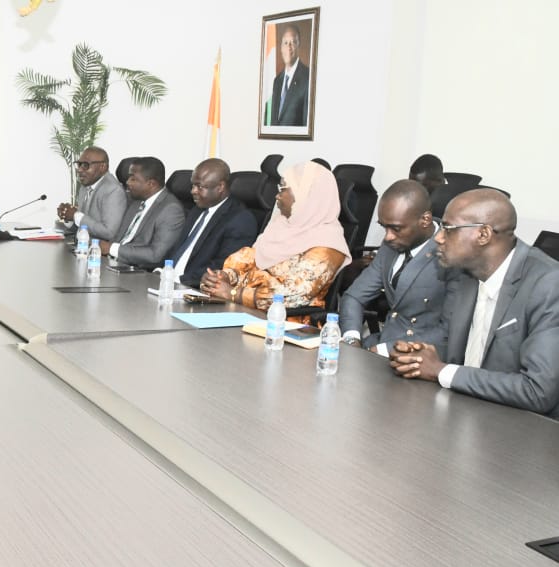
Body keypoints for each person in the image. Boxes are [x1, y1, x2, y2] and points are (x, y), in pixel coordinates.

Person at [389, 189, 559, 419]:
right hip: (467, 411)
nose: (438, 237)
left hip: (522, 427)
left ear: (483, 234)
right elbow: (464, 351)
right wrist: (419, 356)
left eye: (448, 229)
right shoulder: (467, 273)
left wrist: (441, 371)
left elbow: (538, 391)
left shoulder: (548, 284)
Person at [199, 161, 350, 311]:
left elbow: (292, 295)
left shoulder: (328, 246)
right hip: (244, 310)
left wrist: (234, 294)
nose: (277, 196)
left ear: (306, 195)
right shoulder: (281, 225)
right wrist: (222, 277)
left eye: (283, 189)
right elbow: (248, 262)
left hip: (286, 320)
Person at [340, 180, 454, 354]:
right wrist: (352, 338)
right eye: (384, 227)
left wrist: (384, 350)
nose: (388, 237)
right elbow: (354, 296)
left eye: (396, 228)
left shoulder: (450, 251)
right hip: (382, 341)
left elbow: (448, 331)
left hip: (419, 354)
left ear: (425, 220)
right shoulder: (391, 246)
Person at [168, 158, 258, 287]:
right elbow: (177, 248)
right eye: (192, 185)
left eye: (199, 186)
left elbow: (223, 267)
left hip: (192, 287)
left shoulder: (241, 220)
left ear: (220, 187)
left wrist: (180, 280)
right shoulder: (197, 209)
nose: (193, 191)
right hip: (168, 281)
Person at [98, 156, 185, 269]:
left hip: (137, 270)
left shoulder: (171, 210)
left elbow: (155, 255)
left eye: (133, 179)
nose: (127, 182)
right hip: (113, 263)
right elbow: (119, 237)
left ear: (151, 184)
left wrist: (111, 248)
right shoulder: (137, 200)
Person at [56, 146, 128, 240]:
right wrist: (68, 218)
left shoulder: (113, 190)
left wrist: (75, 215)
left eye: (85, 165)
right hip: (81, 245)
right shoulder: (86, 186)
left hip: (98, 248)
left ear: (102, 167)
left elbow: (109, 232)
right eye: (79, 164)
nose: (79, 170)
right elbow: (84, 227)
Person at [270, 24, 310, 126]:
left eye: (293, 42)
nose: (289, 47)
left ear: (298, 46)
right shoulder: (277, 81)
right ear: (281, 48)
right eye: (286, 43)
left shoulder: (308, 78)